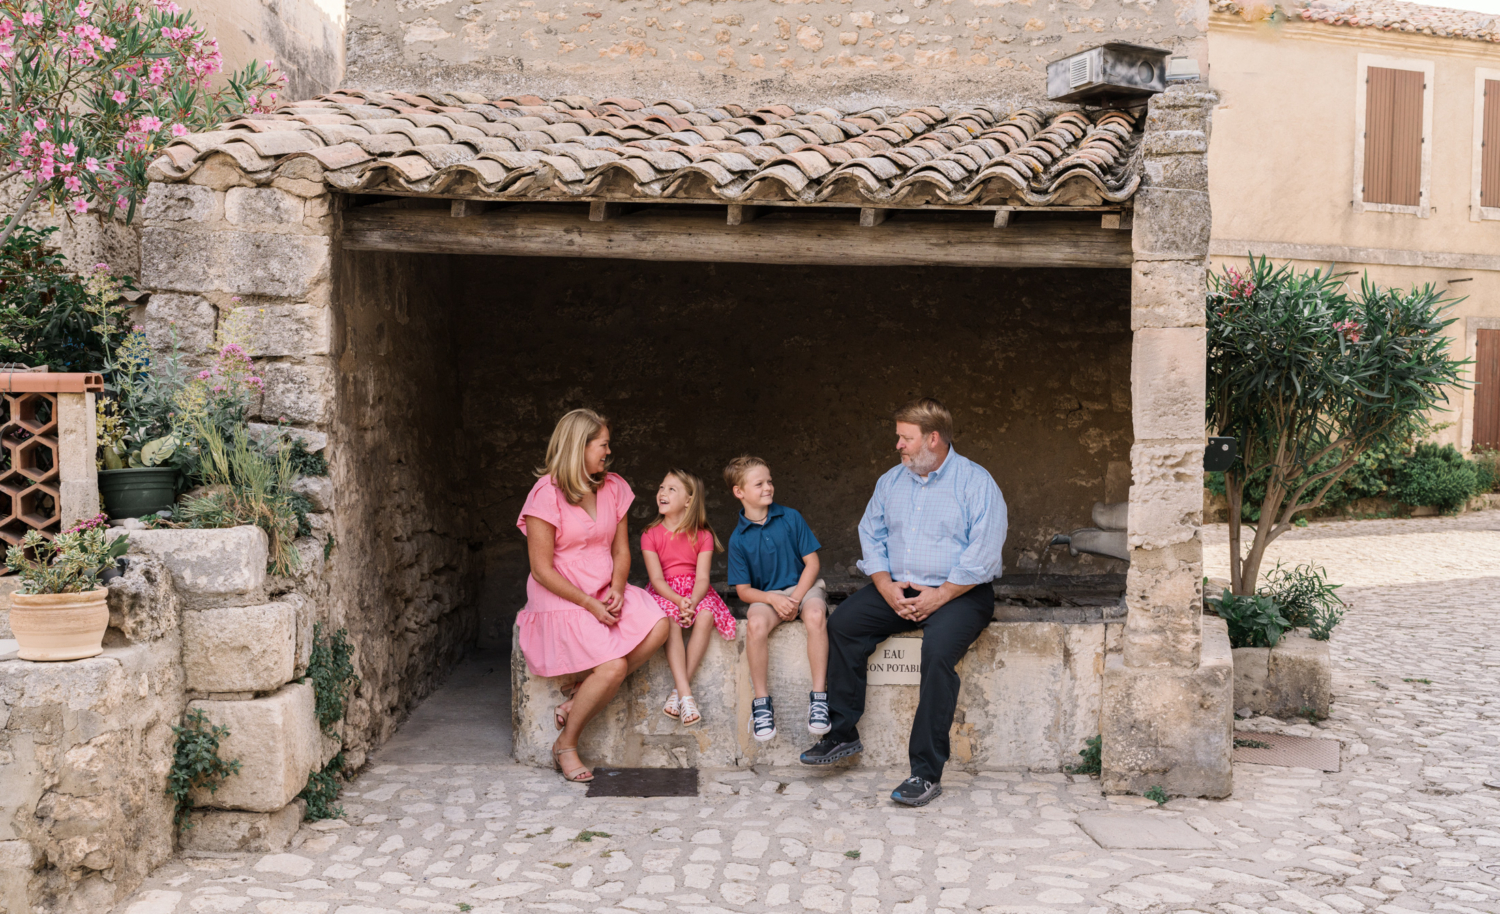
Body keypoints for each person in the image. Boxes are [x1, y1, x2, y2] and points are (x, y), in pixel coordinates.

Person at [799, 398, 1007, 807]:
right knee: (842, 626)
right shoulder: (891, 481)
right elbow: (870, 534)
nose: (898, 445)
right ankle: (842, 735)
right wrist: (884, 584)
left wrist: (940, 595)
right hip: (897, 588)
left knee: (938, 654)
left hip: (960, 593)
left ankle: (925, 773)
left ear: (933, 439)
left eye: (905, 438)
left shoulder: (976, 482)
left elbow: (983, 552)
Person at [516, 408, 670, 783]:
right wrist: (588, 604)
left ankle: (580, 694)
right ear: (579, 446)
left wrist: (617, 588)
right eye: (602, 444)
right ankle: (566, 744)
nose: (608, 451)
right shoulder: (545, 494)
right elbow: (541, 569)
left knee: (660, 625)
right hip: (561, 594)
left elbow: (621, 551)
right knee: (613, 666)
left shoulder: (614, 486)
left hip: (603, 587)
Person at [724, 455, 830, 742]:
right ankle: (761, 703)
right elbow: (744, 592)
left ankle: (819, 698)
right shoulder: (738, 539)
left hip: (803, 588)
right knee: (755, 624)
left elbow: (813, 564)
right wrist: (773, 600)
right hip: (767, 596)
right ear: (740, 492)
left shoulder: (791, 517)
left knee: (817, 615)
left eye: (769, 481)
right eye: (759, 484)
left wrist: (794, 599)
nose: (768, 487)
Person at [641, 469, 733, 728]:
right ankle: (686, 694)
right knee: (668, 619)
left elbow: (703, 578)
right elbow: (657, 580)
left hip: (695, 591)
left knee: (705, 616)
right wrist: (678, 601)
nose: (662, 493)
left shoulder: (702, 535)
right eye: (661, 487)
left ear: (689, 501)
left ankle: (676, 693)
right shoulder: (650, 534)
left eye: (671, 489)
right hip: (664, 591)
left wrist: (691, 601)